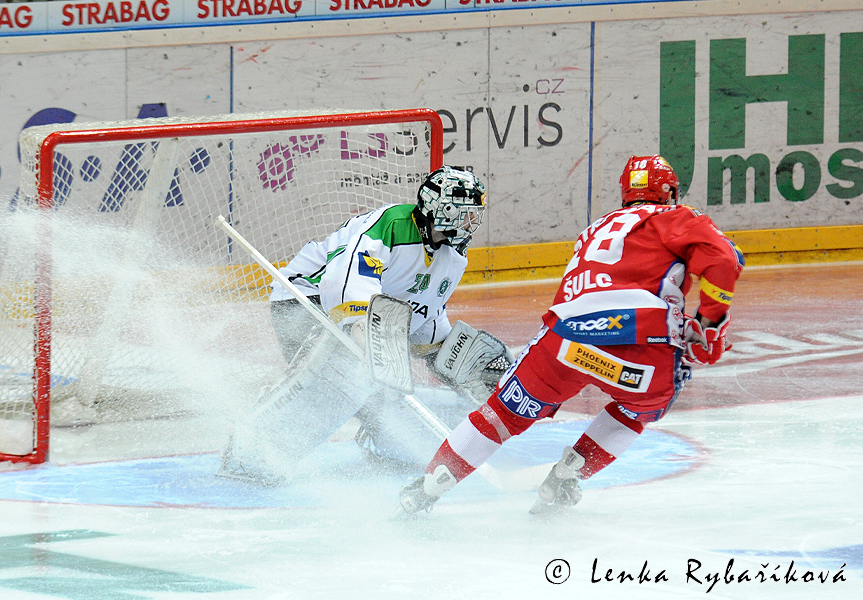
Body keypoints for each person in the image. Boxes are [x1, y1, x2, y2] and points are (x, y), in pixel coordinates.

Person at [397, 154, 745, 515]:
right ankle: (567, 476)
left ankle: (426, 489)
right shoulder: (677, 217)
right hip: (639, 347)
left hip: (564, 340)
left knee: (500, 414)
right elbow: (723, 260)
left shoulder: (595, 230)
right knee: (637, 410)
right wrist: (708, 324)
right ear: (669, 192)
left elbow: (595, 290)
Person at [247, 165, 510, 474]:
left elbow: (425, 311)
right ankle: (254, 443)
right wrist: (363, 328)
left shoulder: (453, 257)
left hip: (367, 318)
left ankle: (385, 444)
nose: (472, 222)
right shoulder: (393, 224)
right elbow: (343, 279)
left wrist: (444, 353)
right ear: (444, 209)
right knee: (339, 380)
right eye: (466, 214)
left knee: (378, 396)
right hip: (306, 298)